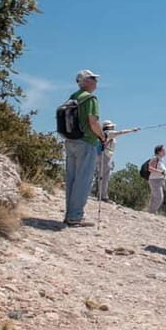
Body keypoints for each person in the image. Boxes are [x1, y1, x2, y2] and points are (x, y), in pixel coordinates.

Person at [64, 69, 106, 227]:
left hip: (70, 141)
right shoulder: (90, 98)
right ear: (85, 81)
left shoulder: (73, 97)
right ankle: (76, 216)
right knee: (83, 180)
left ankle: (70, 214)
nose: (96, 81)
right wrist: (102, 136)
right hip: (86, 141)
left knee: (72, 179)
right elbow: (93, 122)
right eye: (93, 78)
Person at [95, 120, 139, 202]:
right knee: (105, 176)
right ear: (110, 127)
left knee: (102, 176)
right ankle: (103, 196)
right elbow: (121, 132)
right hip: (105, 155)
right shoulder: (109, 133)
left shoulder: (101, 134)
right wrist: (132, 130)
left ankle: (101, 195)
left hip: (101, 155)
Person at [147, 144, 166, 214]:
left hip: (158, 181)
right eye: (163, 150)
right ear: (159, 151)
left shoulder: (160, 160)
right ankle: (152, 212)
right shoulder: (155, 158)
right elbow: (150, 168)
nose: (165, 151)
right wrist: (161, 172)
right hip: (155, 180)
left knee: (154, 198)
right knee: (159, 198)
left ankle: (150, 213)